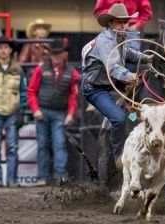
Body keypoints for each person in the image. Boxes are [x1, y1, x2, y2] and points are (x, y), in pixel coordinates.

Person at [82, 3, 152, 168]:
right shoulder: (106, 41)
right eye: (119, 22)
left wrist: (148, 58)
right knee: (119, 118)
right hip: (95, 89)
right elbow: (112, 67)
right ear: (111, 23)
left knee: (134, 109)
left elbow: (128, 54)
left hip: (111, 84)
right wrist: (129, 75)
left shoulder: (120, 38)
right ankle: (119, 156)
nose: (123, 25)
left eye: (125, 22)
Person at [28, 38, 79, 186]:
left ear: (64, 54)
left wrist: (70, 113)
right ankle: (43, 177)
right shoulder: (40, 70)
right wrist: (36, 110)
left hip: (59, 113)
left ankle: (60, 177)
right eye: (54, 54)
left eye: (59, 54)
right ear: (50, 55)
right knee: (43, 144)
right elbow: (31, 91)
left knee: (58, 144)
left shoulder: (72, 73)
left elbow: (73, 95)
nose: (56, 57)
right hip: (43, 111)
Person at [0, 35, 27, 187]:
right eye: (0, 47)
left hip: (12, 112)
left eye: (6, 47)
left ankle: (11, 181)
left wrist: (22, 111)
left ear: (10, 50)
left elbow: (23, 93)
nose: (3, 50)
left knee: (12, 147)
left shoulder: (18, 70)